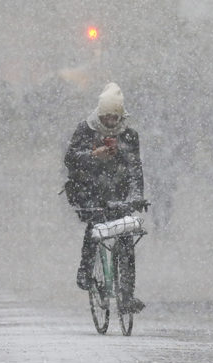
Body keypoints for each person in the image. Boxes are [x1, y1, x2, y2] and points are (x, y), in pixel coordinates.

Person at [64, 83, 145, 313]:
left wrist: (137, 196)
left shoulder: (129, 136)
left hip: (117, 191)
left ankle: (127, 295)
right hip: (88, 189)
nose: (110, 121)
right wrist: (93, 155)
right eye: (106, 116)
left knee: (126, 239)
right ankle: (85, 271)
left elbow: (135, 169)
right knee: (95, 226)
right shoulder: (85, 130)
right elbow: (70, 159)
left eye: (114, 117)